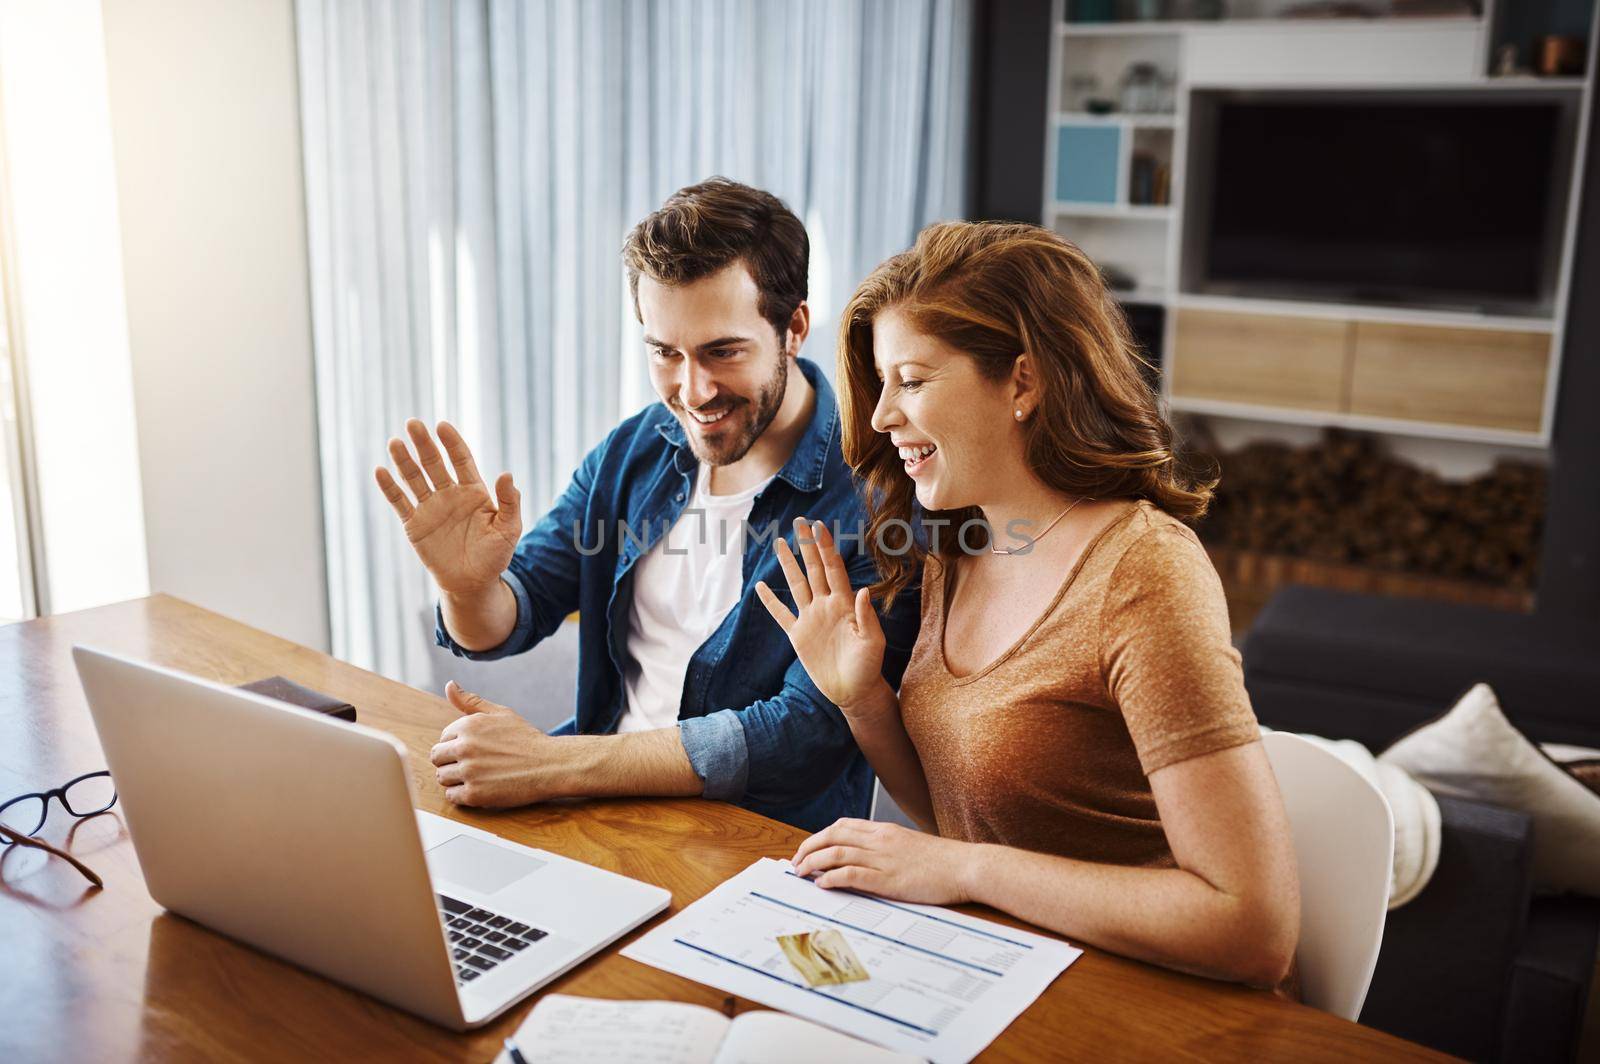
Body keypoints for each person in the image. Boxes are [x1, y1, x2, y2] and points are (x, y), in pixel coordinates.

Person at [754, 221, 1300, 989]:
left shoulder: (1144, 572)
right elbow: (965, 821)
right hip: (1015, 974)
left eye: (910, 380)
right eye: (881, 385)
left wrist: (966, 869)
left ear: (1023, 381)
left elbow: (1252, 927)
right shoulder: (959, 544)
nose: (880, 417)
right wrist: (864, 701)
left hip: (1164, 1007)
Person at [373, 178, 919, 832]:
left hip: (757, 853)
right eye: (665, 353)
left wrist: (555, 763)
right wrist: (466, 587)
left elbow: (801, 737)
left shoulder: (878, 498)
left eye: (723, 351)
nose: (693, 390)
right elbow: (507, 619)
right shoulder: (637, 450)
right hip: (596, 810)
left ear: (794, 327)